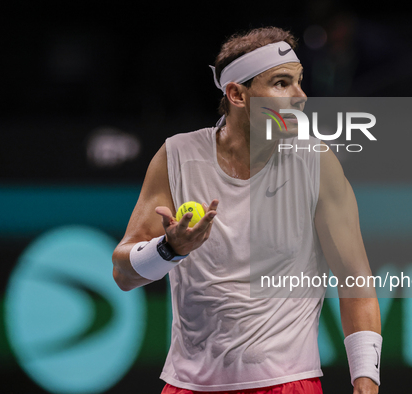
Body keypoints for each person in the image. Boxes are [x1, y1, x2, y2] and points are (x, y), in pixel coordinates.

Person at [112, 26, 381, 394]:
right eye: (282, 83)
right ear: (237, 94)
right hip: (188, 385)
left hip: (288, 383)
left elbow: (356, 281)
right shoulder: (176, 156)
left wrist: (366, 385)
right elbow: (124, 274)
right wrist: (169, 250)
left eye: (299, 82)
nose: (300, 97)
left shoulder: (317, 163)